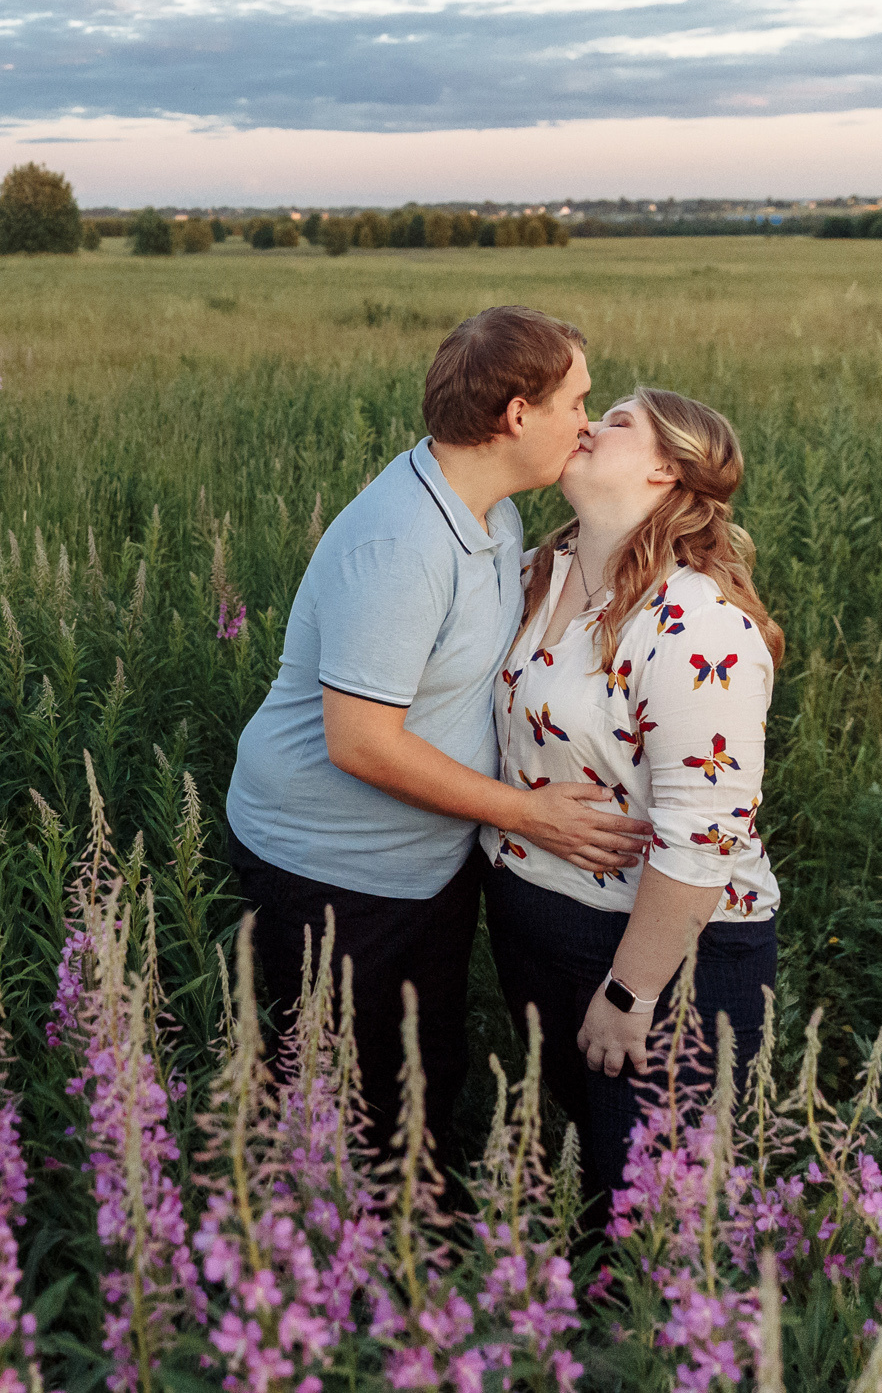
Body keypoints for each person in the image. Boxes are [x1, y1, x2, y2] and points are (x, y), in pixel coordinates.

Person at [225, 306, 656, 1180]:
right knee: (346, 1092)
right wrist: (528, 813)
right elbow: (361, 744)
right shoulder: (405, 542)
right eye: (576, 402)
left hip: (422, 857)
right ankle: (332, 1268)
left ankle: (415, 1239)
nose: (588, 420)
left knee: (423, 1069)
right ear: (516, 415)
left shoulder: (485, 512)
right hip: (330, 867)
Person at [484, 386, 785, 1231]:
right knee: (595, 1178)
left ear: (666, 467)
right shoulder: (537, 572)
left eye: (614, 420)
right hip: (538, 926)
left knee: (653, 1222)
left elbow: (704, 837)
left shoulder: (698, 627)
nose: (584, 424)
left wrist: (631, 992)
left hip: (663, 957)